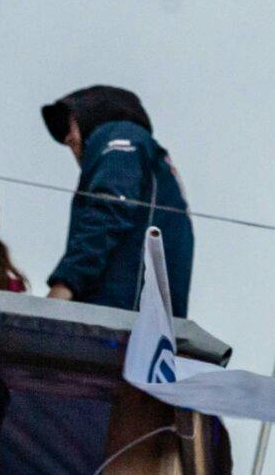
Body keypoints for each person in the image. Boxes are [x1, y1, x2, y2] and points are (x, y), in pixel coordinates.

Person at [40, 86, 193, 314]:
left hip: (116, 316)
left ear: (92, 112)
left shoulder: (118, 135)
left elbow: (110, 208)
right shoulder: (154, 162)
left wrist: (65, 285)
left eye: (70, 125)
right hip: (152, 327)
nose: (68, 138)